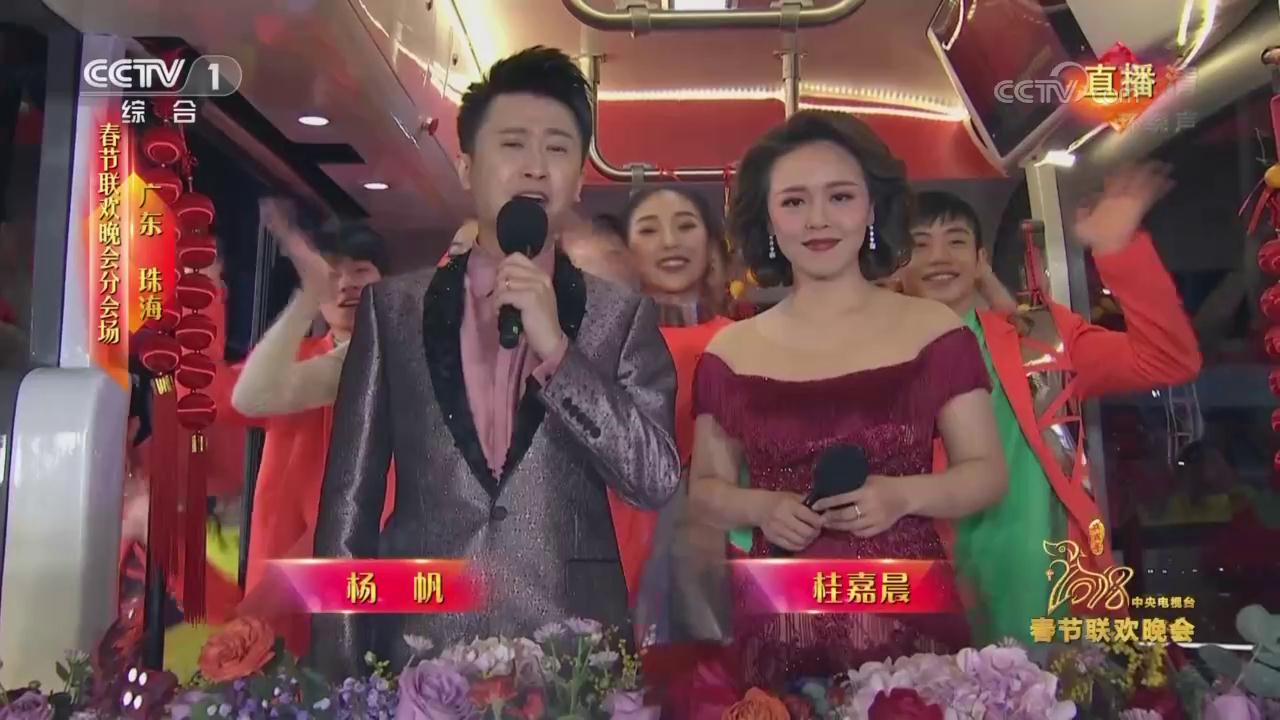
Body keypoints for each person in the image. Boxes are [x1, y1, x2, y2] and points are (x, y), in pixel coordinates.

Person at [310, 46, 681, 677]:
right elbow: (349, 502)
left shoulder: (621, 316)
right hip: (421, 649)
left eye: (558, 148)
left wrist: (559, 352)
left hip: (574, 662)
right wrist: (340, 673)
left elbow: (656, 480)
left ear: (579, 179)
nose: (536, 166)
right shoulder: (391, 310)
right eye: (513, 144)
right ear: (466, 166)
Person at [687, 110, 1008, 687]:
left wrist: (903, 495)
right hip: (780, 621)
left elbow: (986, 474)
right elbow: (706, 490)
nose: (818, 220)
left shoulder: (934, 330)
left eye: (840, 197)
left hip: (909, 609)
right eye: (793, 202)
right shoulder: (729, 351)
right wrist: (761, 508)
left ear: (872, 208)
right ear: (768, 220)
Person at [900, 173, 1201, 645]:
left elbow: (1169, 359)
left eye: (956, 241)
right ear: (897, 263)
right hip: (927, 583)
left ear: (980, 260)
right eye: (920, 244)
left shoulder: (1042, 338)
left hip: (1052, 582)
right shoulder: (870, 359)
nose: (939, 257)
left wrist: (1118, 249)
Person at [215, 205, 393, 655]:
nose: (346, 284)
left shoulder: (408, 360)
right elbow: (235, 396)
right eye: (332, 274)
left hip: (373, 566)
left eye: (361, 271)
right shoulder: (291, 360)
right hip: (284, 575)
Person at [604, 187, 734, 640]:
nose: (670, 242)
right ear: (624, 252)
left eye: (685, 226)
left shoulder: (747, 342)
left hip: (722, 544)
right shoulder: (602, 346)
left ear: (712, 245)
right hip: (620, 538)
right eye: (649, 229)